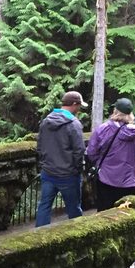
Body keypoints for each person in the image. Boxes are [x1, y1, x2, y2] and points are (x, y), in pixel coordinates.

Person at [35, 91, 87, 227]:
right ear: (74, 104)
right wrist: (76, 168)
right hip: (68, 174)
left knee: (44, 206)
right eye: (79, 106)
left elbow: (39, 145)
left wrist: (44, 163)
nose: (79, 109)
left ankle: (38, 238)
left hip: (48, 172)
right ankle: (77, 235)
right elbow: (79, 150)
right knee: (74, 208)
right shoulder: (74, 124)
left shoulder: (46, 121)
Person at [86, 98, 135, 211]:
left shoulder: (103, 129)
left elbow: (91, 152)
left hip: (107, 179)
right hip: (131, 180)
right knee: (129, 212)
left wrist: (100, 163)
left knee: (105, 212)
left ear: (115, 111)